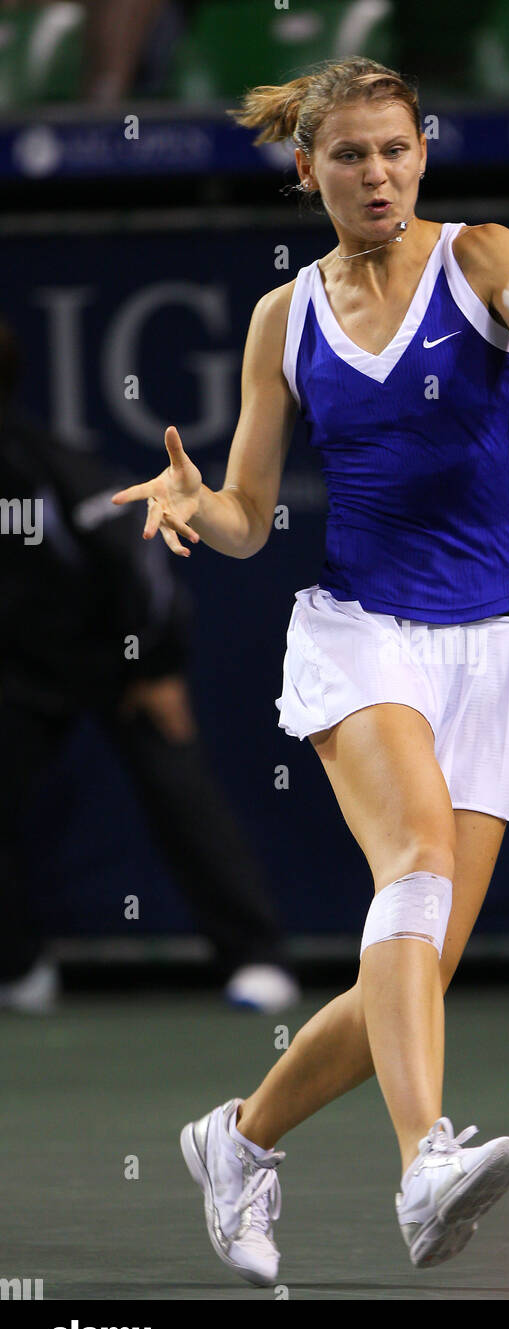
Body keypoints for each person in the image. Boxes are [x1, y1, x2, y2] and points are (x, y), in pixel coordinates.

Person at [111, 56, 509, 1282]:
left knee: (417, 965)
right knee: (417, 866)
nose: (376, 173)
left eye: (394, 149)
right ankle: (423, 1160)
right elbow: (246, 515)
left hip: (499, 642)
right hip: (362, 628)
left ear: (421, 155)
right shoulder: (282, 319)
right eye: (349, 155)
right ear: (309, 171)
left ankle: (237, 1141)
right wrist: (199, 505)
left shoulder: (484, 253)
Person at [0, 317, 300, 1015]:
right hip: (20, 675)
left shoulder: (42, 469)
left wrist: (156, 663)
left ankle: (257, 960)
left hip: (119, 659)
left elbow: (136, 563)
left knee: (180, 793)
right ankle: (19, 968)